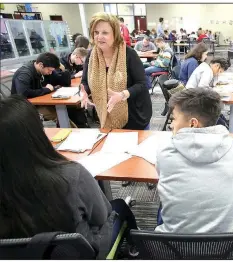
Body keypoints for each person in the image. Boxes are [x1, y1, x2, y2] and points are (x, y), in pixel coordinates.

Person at [0, 96, 139, 259]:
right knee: (120, 207)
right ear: (34, 133)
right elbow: (102, 216)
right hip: (83, 253)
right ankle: (133, 248)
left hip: (21, 255)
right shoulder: (70, 175)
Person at [155, 88, 233, 233]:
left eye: (174, 119)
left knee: (165, 202)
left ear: (193, 123)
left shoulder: (164, 151)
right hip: (227, 248)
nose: (172, 125)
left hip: (174, 246)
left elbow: (162, 176)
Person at [80, 12, 152, 130]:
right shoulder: (91, 56)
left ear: (115, 34)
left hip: (134, 115)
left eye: (105, 33)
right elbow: (85, 82)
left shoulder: (129, 54)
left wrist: (122, 94)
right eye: (96, 32)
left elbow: (143, 84)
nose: (99, 37)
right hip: (106, 115)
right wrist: (83, 92)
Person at [11, 52, 88, 128]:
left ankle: (80, 128)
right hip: (25, 107)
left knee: (71, 108)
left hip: (40, 102)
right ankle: (73, 133)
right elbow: (23, 93)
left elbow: (64, 82)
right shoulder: (24, 73)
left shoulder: (44, 70)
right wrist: (46, 90)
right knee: (60, 113)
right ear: (41, 65)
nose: (51, 73)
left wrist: (63, 70)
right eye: (49, 70)